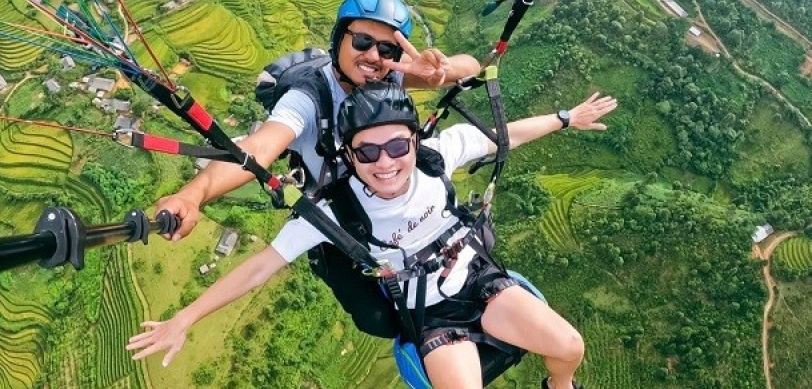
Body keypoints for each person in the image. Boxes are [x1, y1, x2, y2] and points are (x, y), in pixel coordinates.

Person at [128, 82, 618, 389]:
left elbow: (504, 134)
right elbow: (261, 266)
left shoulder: (438, 155)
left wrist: (566, 119)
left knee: (569, 346)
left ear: (414, 140)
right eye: (368, 153)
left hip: (480, 282)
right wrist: (186, 318)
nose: (385, 162)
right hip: (429, 316)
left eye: (397, 145)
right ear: (348, 156)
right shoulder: (335, 209)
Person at [158, 0, 480, 241]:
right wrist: (193, 194)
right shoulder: (308, 98)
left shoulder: (388, 74)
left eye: (386, 49)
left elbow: (473, 66)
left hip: (379, 183)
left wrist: (441, 70)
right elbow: (258, 148)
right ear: (339, 40)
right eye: (363, 41)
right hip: (337, 199)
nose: (372, 56)